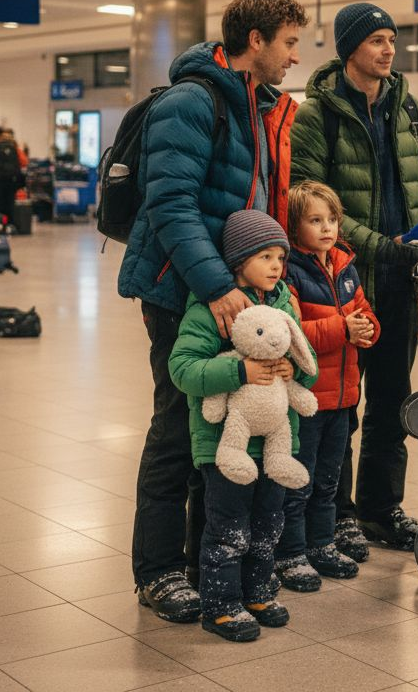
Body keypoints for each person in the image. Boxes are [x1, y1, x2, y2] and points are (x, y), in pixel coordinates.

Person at [118, 0, 307, 623]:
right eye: (287, 42)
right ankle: (158, 570)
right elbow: (170, 205)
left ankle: (207, 561)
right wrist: (216, 288)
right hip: (183, 290)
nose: (294, 55)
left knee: (216, 434)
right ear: (254, 41)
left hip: (235, 294)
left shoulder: (257, 104)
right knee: (178, 428)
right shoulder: (192, 101)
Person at [290, 1, 418, 554]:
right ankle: (336, 515)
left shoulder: (407, 109)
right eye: (378, 39)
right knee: (339, 404)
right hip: (340, 283)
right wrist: (383, 247)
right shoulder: (317, 115)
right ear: (350, 48)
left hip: (402, 279)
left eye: (392, 39)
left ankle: (383, 509)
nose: (389, 49)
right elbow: (309, 199)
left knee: (392, 400)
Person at [168, 209, 311, 642]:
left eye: (280, 257)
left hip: (274, 445)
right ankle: (220, 603)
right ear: (237, 261)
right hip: (223, 445)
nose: (275, 266)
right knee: (228, 527)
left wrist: (294, 372)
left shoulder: (284, 302)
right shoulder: (212, 310)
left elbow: (308, 361)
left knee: (268, 524)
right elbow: (183, 368)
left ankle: (258, 592)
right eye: (265, 256)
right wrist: (240, 373)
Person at [274, 181, 380, 591]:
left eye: (332, 219)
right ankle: (291, 553)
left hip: (343, 396)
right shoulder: (289, 273)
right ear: (294, 226)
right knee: (301, 478)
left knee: (328, 481)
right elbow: (292, 332)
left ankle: (321, 544)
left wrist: (369, 328)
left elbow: (364, 311)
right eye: (315, 220)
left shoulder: (345, 265)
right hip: (308, 399)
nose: (327, 228)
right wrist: (342, 329)